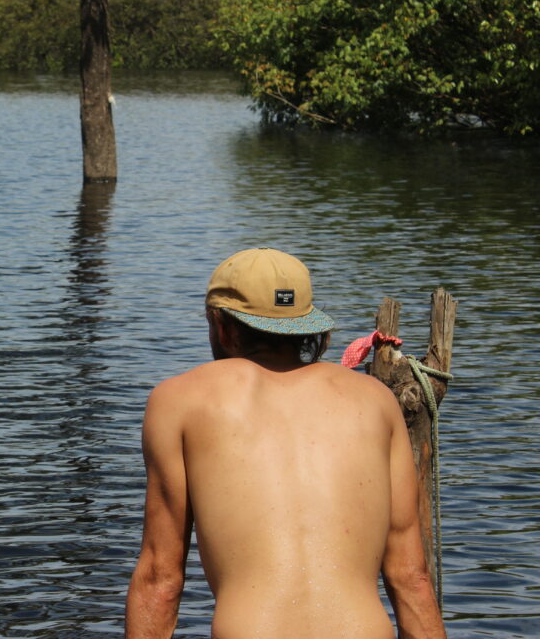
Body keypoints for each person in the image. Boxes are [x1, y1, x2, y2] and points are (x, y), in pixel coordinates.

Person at [125, 248, 446, 639]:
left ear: (221, 325)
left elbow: (161, 579)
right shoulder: (377, 400)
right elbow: (411, 578)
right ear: (309, 328)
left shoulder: (179, 401)